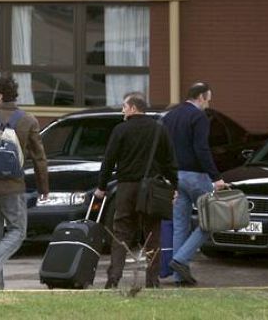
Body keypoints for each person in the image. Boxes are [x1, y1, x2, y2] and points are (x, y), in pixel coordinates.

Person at [0, 76, 49, 290]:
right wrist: (43, 187)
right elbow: (39, 157)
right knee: (18, 231)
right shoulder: (28, 120)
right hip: (14, 188)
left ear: (0, 95)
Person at [94, 92, 176, 289]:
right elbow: (169, 161)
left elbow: (109, 160)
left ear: (132, 108)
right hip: (152, 190)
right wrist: (175, 186)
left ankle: (114, 277)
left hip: (126, 188)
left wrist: (101, 187)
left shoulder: (120, 130)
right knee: (152, 234)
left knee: (121, 231)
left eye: (124, 107)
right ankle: (152, 280)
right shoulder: (159, 130)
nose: (122, 111)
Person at [162, 82, 225, 287]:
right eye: (208, 98)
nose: (208, 103)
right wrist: (216, 177)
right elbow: (201, 148)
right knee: (212, 221)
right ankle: (180, 260)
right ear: (200, 97)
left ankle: (180, 277)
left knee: (180, 225)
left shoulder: (170, 116)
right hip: (196, 177)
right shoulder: (199, 117)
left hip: (175, 177)